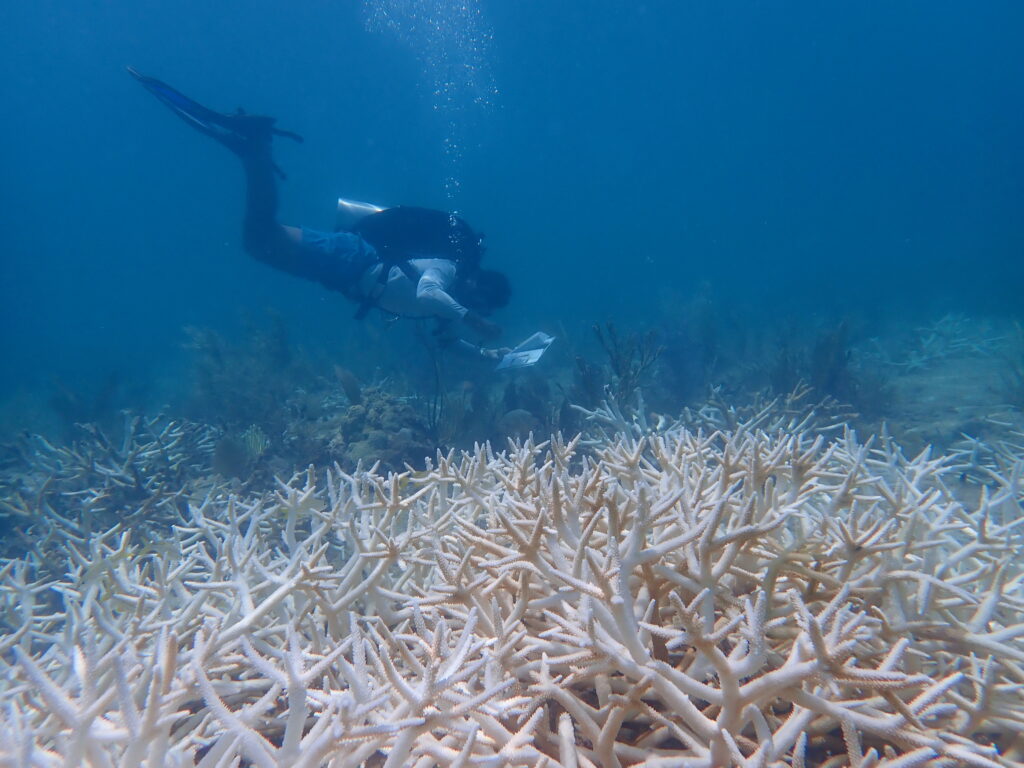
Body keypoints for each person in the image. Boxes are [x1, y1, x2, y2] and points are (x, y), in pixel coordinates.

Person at [128, 69, 511, 359]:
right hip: (353, 257)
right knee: (260, 238)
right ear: (477, 282)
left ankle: (253, 151)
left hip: (346, 272)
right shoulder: (447, 270)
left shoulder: (450, 304)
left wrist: (489, 356)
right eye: (480, 301)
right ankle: (254, 148)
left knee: (259, 242)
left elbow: (444, 341)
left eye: (481, 309)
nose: (475, 307)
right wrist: (474, 320)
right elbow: (427, 290)